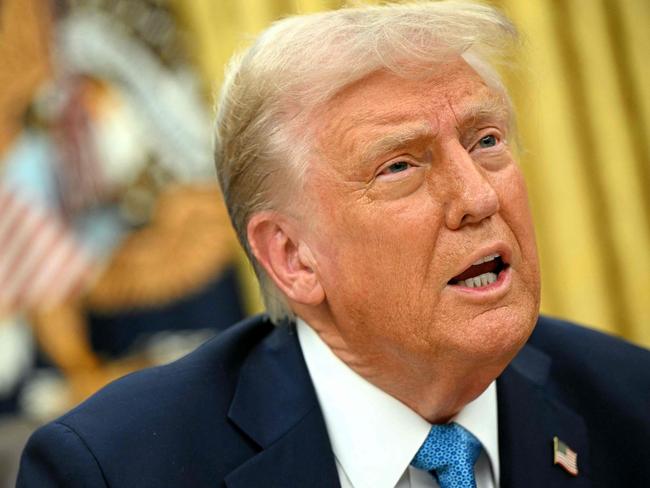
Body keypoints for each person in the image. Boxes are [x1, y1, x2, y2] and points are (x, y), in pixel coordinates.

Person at [17, 2, 650, 487]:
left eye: (485, 141)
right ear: (292, 257)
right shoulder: (117, 467)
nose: (479, 198)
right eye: (400, 166)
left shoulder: (631, 401)